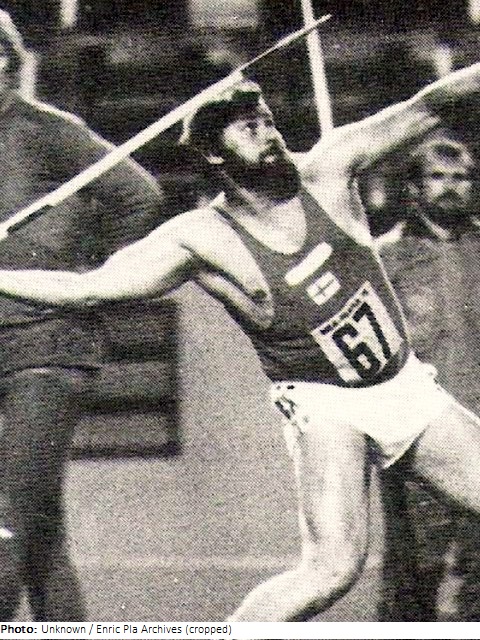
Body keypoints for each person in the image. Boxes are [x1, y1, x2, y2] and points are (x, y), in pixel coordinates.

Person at [0, 64, 480, 621]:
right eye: (249, 129)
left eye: (269, 121)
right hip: (326, 407)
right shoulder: (201, 237)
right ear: (213, 154)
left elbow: (432, 104)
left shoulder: (329, 169)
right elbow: (88, 289)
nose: (269, 134)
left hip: (403, 386)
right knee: (331, 570)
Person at [0, 11, 164, 621]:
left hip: (48, 347)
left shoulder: (46, 131)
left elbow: (140, 196)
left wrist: (82, 270)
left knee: (8, 522)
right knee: (38, 528)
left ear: (2, 61)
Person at [379, 135, 480, 621]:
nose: (451, 187)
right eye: (438, 177)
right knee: (415, 570)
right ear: (414, 188)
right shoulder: (384, 257)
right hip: (418, 435)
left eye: (461, 178)